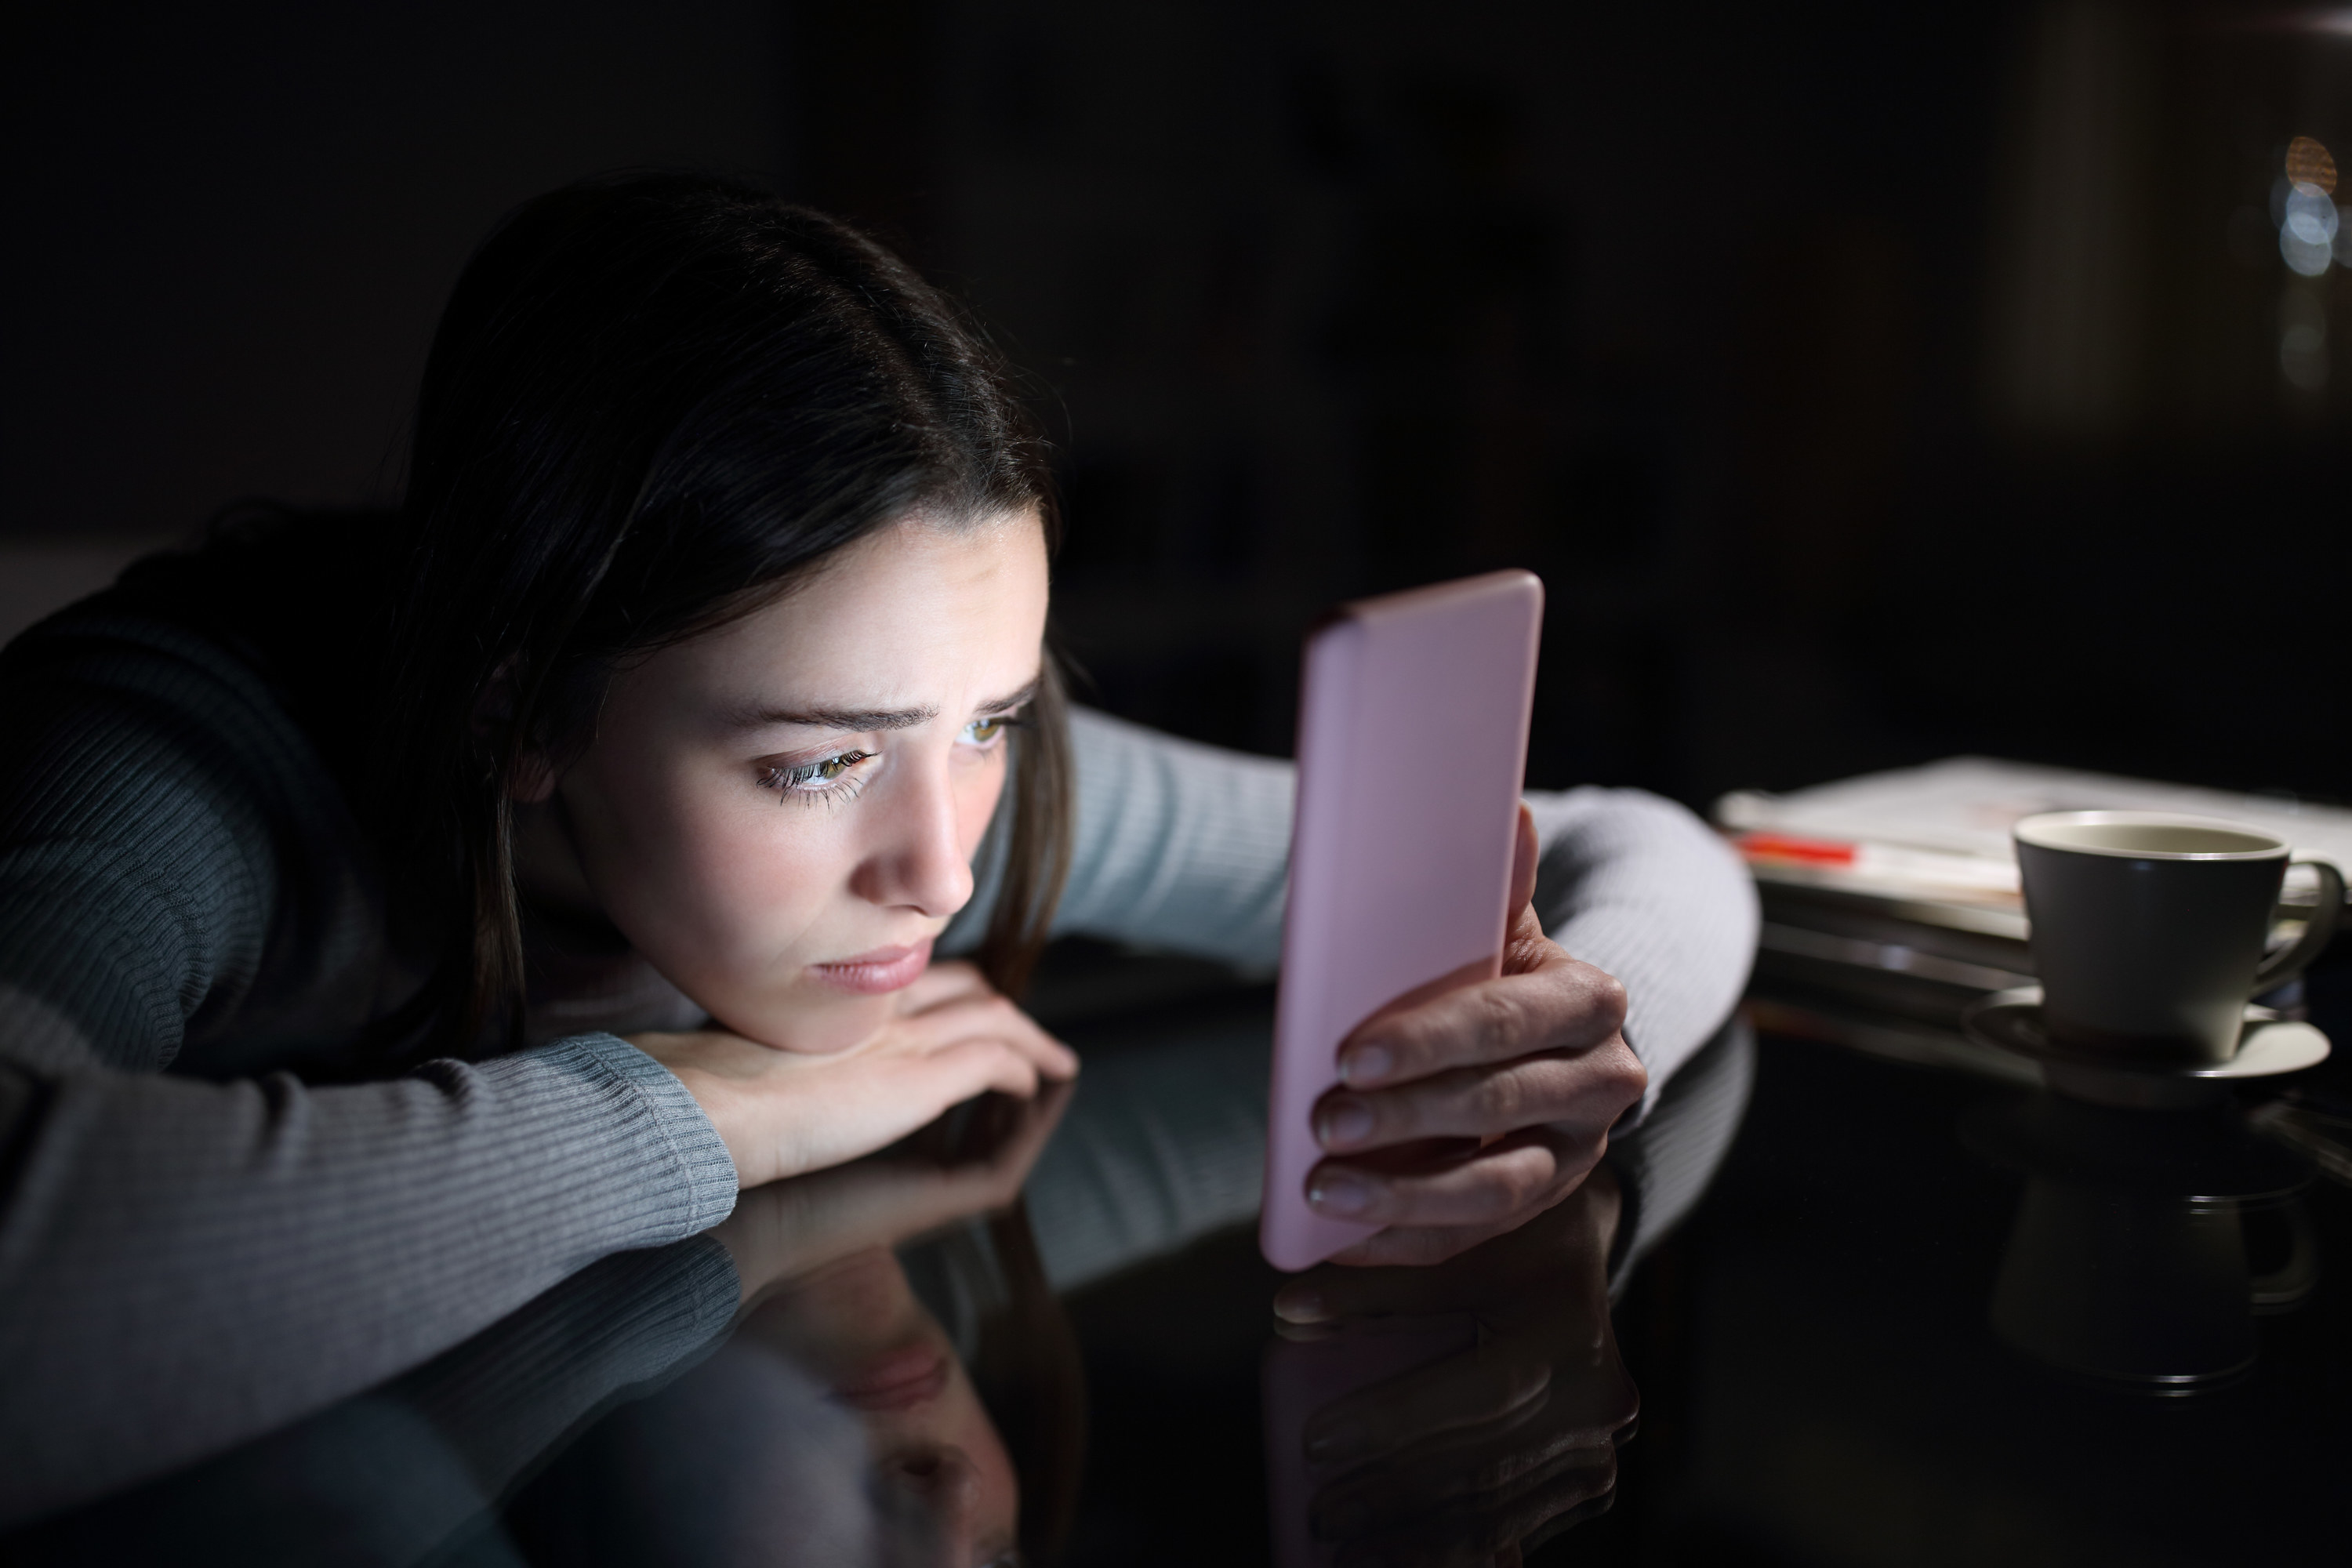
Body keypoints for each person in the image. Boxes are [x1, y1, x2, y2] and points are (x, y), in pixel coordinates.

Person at [0, 172, 1757, 1526]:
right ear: (516, 710)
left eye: (992, 720)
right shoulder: (171, 773)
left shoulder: (937, 794)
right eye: (819, 761)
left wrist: (1586, 1016)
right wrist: (715, 1107)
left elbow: (1636, 841)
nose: (938, 865)